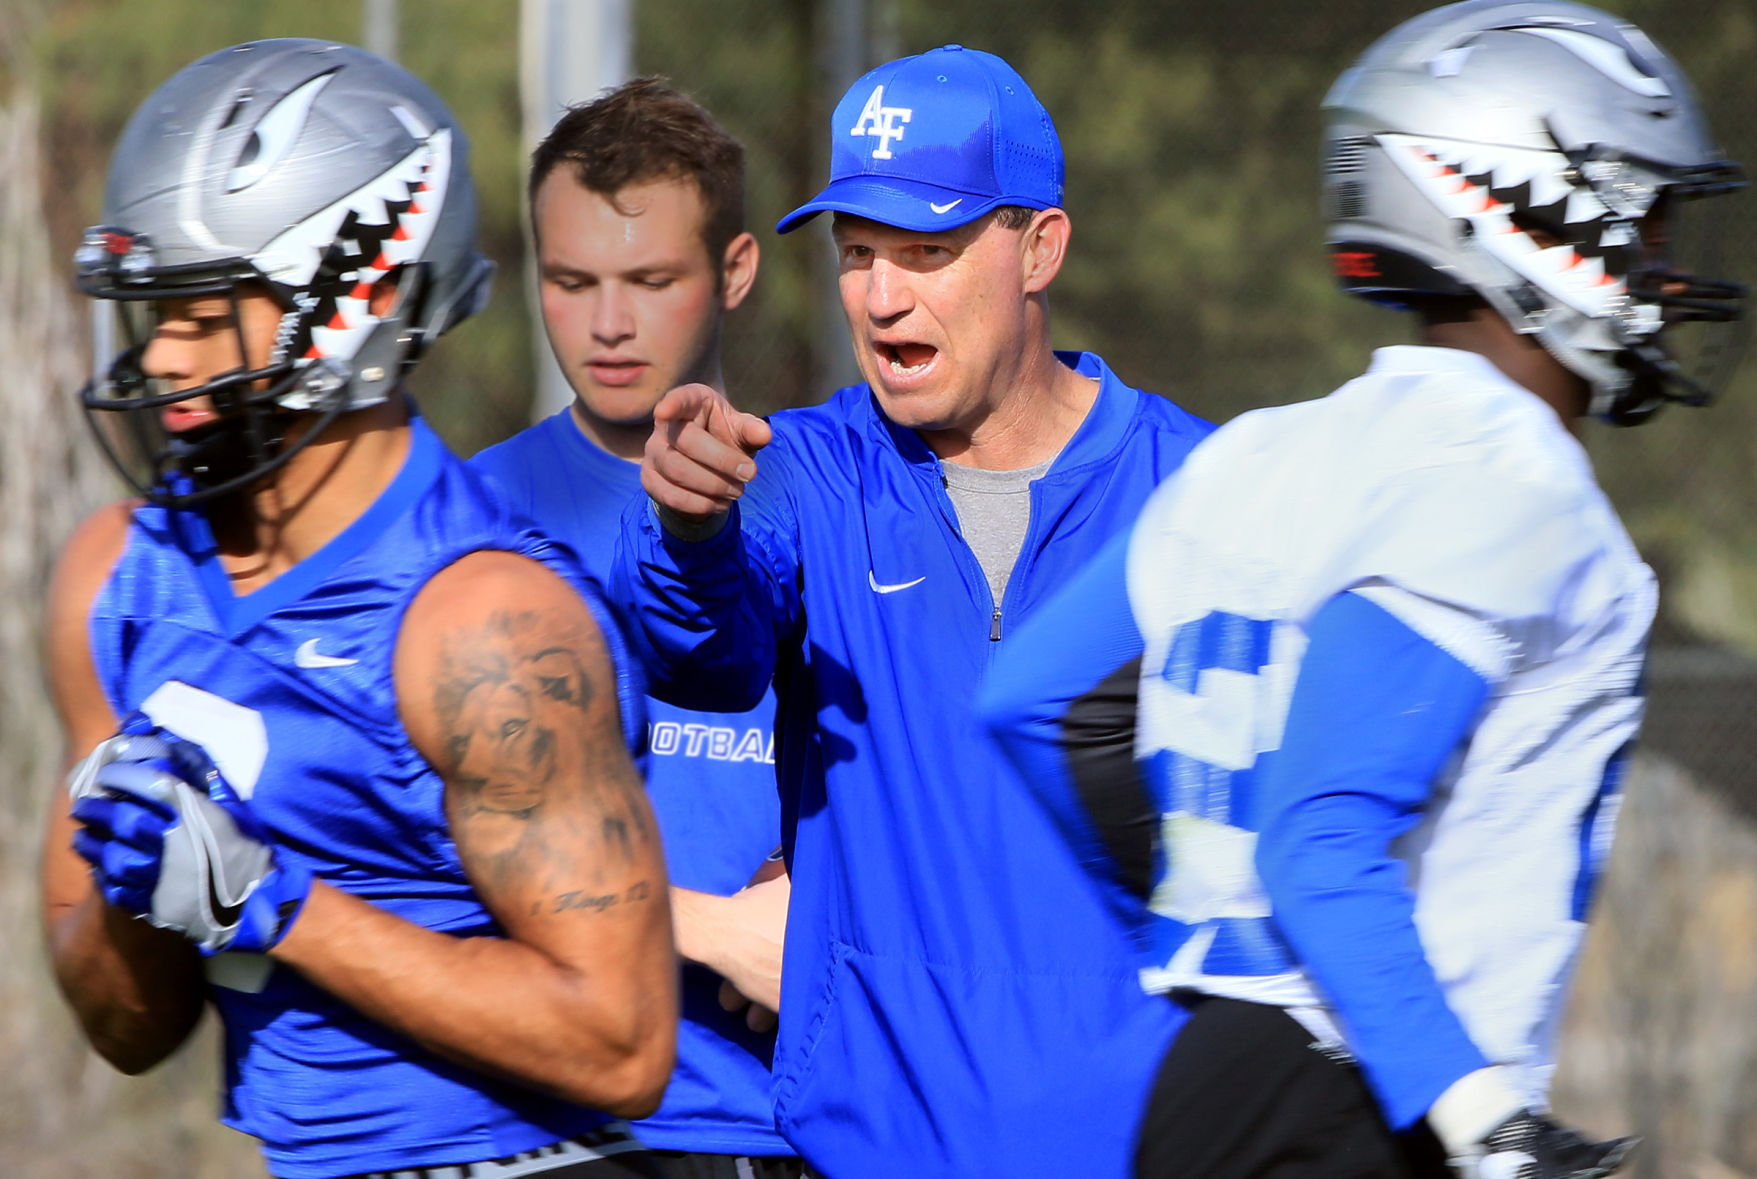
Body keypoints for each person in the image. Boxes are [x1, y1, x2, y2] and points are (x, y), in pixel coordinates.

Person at [981, 3, 1746, 1176]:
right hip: (1365, 1105)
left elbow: (1030, 701)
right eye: (1643, 221)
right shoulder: (1510, 479)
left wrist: (1200, 905)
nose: (1664, 269)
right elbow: (1319, 832)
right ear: (1517, 205)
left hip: (1211, 1087)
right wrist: (1483, 1126)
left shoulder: (1259, 451)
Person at [39, 40, 678, 1179]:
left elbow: (621, 1043)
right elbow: (125, 1032)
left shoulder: (484, 622)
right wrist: (145, 882)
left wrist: (272, 904)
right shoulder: (116, 579)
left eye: (200, 311)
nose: (160, 357)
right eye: (152, 314)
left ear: (358, 300)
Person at [612, 44, 1214, 1178]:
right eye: (856, 255)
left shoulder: (1202, 493)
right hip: (865, 1152)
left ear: (1039, 248)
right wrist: (686, 527)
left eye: (927, 252)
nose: (882, 297)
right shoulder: (806, 472)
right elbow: (705, 651)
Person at [471, 78, 799, 1179]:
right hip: (555, 1134)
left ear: (734, 273)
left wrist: (828, 894)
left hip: (812, 1120)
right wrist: (711, 930)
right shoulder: (460, 527)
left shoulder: (845, 497)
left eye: (650, 280)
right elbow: (407, 844)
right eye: (572, 282)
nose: (608, 324)